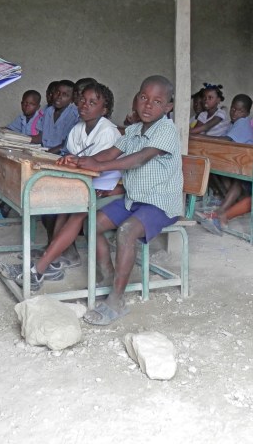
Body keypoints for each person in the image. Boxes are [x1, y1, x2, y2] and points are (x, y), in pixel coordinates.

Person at [73, 75, 183, 326]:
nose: (147, 105)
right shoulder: (133, 131)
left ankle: (117, 299)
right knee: (92, 224)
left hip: (161, 203)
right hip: (134, 200)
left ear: (168, 107)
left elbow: (139, 159)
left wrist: (99, 166)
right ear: (136, 98)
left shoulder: (166, 130)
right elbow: (110, 153)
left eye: (157, 101)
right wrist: (80, 160)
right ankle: (109, 275)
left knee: (126, 231)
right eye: (143, 97)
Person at [4, 82, 123, 289]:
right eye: (83, 100)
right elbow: (72, 156)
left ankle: (39, 269)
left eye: (92, 103)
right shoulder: (77, 129)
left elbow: (97, 165)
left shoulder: (108, 132)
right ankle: (51, 257)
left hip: (106, 187)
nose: (85, 105)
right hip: (83, 184)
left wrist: (73, 161)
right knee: (63, 207)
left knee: (76, 210)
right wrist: (67, 159)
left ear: (104, 110)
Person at [197, 93, 253, 235]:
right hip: (236, 166)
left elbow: (226, 140)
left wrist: (200, 137)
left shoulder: (242, 123)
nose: (235, 112)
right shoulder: (233, 124)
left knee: (237, 181)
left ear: (247, 113)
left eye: (240, 110)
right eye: (233, 109)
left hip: (246, 170)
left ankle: (220, 212)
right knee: (213, 169)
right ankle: (224, 203)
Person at [35, 79, 78, 153]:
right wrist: (21, 140)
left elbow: (66, 144)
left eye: (65, 94)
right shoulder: (48, 111)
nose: (59, 96)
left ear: (72, 99)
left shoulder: (75, 115)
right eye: (57, 92)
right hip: (44, 151)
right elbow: (40, 137)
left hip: (61, 155)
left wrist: (47, 154)